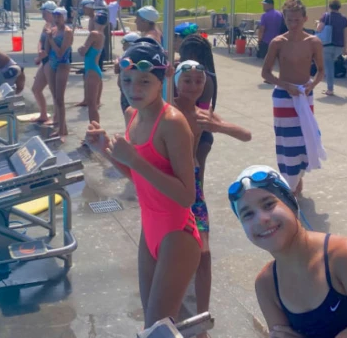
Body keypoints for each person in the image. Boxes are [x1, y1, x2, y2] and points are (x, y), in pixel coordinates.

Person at [85, 39, 201, 330]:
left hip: (177, 234)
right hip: (150, 229)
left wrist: (136, 161)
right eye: (127, 80)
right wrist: (104, 150)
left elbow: (187, 196)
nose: (133, 89)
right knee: (173, 323)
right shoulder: (132, 115)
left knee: (156, 328)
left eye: (144, 81)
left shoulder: (172, 123)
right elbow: (138, 178)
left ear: (161, 79)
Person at [228, 165, 347, 338]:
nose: (261, 219)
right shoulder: (267, 285)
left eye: (268, 204)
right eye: (247, 214)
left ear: (290, 203)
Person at [173, 60, 251, 336]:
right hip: (168, 189)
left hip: (193, 188)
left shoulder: (203, 114)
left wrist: (219, 127)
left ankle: (201, 321)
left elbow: (246, 135)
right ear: (175, 81)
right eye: (187, 80)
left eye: (198, 81)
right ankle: (168, 308)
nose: (193, 86)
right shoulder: (165, 109)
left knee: (204, 253)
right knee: (169, 252)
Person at [261, 0, 325, 196]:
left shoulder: (313, 42)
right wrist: (285, 85)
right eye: (289, 20)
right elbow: (266, 73)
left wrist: (312, 84)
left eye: (297, 20)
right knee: (287, 140)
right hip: (283, 95)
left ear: (305, 19)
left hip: (305, 95)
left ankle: (298, 177)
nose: (293, 24)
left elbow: (321, 70)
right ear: (285, 20)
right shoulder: (278, 42)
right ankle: (291, 182)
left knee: (306, 137)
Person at [177, 34, 218, 187]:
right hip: (193, 139)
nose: (180, 59)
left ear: (192, 56)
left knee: (195, 187)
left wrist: (192, 154)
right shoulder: (198, 74)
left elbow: (200, 120)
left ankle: (198, 212)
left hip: (198, 141)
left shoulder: (205, 81)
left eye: (182, 56)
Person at [27, 0, 58, 124]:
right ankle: (43, 114)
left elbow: (50, 47)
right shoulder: (46, 25)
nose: (43, 15)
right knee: (36, 88)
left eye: (44, 12)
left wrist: (40, 57)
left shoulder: (56, 28)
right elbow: (41, 41)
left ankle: (57, 118)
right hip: (44, 61)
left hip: (51, 61)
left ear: (50, 13)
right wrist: (39, 53)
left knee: (54, 92)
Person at [46, 7, 74, 140]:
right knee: (55, 96)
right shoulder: (53, 30)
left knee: (60, 99)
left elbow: (60, 52)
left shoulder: (68, 32)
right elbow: (47, 50)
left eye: (59, 17)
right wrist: (47, 38)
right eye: (55, 16)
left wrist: (51, 39)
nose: (57, 19)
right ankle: (63, 127)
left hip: (62, 64)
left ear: (65, 17)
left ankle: (62, 131)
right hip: (52, 64)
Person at [77, 10, 107, 124]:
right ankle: (94, 130)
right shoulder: (101, 35)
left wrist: (80, 48)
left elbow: (83, 51)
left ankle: (95, 130)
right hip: (94, 69)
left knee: (92, 105)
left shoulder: (94, 34)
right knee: (92, 104)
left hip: (92, 71)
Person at [316, 0, 347, 96]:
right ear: (339, 7)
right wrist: (345, 48)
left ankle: (330, 89)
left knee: (329, 67)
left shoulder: (326, 16)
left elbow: (319, 28)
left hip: (327, 45)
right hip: (339, 46)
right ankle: (324, 82)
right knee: (329, 65)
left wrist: (317, 22)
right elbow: (345, 34)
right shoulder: (344, 19)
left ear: (330, 6)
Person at [116, 32, 142, 117]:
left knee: (130, 114)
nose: (123, 46)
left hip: (128, 91)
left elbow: (116, 69)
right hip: (125, 90)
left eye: (125, 43)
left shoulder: (129, 55)